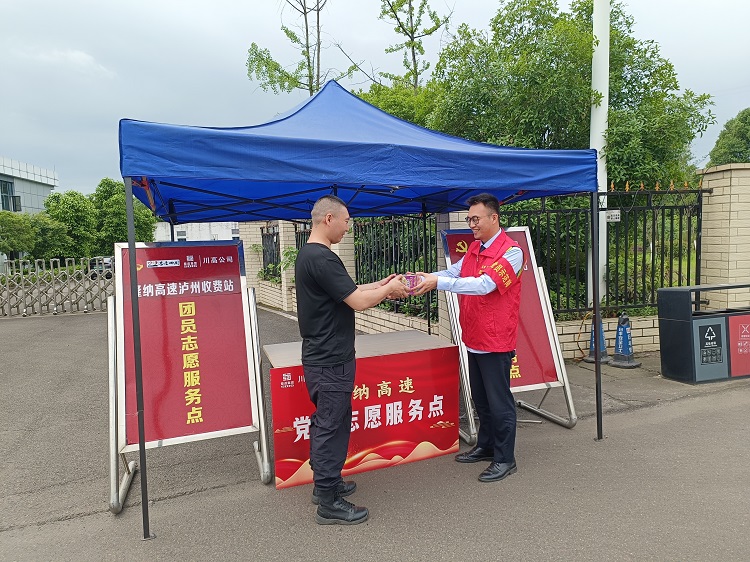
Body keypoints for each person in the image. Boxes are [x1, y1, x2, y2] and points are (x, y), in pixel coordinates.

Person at [295, 194, 410, 525]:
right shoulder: (323, 258)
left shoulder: (310, 254)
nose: (348, 228)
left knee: (333, 421)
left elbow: (348, 292)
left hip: (326, 356)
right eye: (346, 222)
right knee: (331, 425)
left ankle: (326, 484)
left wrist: (381, 284)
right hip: (330, 359)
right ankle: (328, 500)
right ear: (329, 219)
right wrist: (390, 290)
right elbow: (358, 302)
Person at [412, 193, 524, 483]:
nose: (471, 224)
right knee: (481, 399)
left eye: (476, 219)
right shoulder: (475, 248)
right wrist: (424, 279)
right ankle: (486, 446)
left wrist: (439, 282)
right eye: (469, 219)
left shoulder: (512, 253)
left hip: (496, 341)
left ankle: (505, 458)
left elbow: (484, 285)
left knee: (500, 403)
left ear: (494, 218)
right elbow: (453, 272)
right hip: (474, 337)